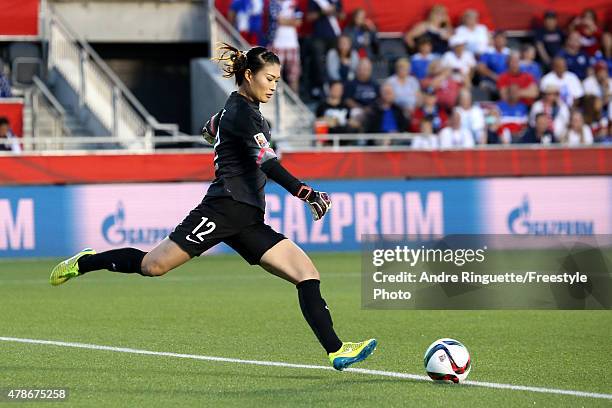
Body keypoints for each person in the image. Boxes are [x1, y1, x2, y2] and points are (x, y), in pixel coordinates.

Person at [49, 44, 377, 371]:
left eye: (277, 80)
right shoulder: (242, 114)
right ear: (248, 75)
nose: (274, 86)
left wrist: (219, 134)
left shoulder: (233, 113)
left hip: (248, 218)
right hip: (223, 208)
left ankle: (337, 350)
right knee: (153, 266)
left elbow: (210, 131)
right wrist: (305, 192)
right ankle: (86, 262)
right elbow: (266, 161)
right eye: (269, 78)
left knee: (307, 273)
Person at [307, 0, 345, 97]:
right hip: (319, 36)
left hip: (334, 36)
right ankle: (319, 86)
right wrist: (322, 12)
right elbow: (309, 17)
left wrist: (334, 12)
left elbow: (342, 16)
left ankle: (336, 86)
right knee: (318, 62)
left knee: (334, 61)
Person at [269, 0, 302, 93]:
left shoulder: (294, 3)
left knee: (294, 76)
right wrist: (292, 21)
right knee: (275, 75)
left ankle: (295, 102)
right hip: (277, 43)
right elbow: (279, 20)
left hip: (292, 44)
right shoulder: (273, 3)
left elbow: (299, 22)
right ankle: (277, 101)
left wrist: (285, 20)